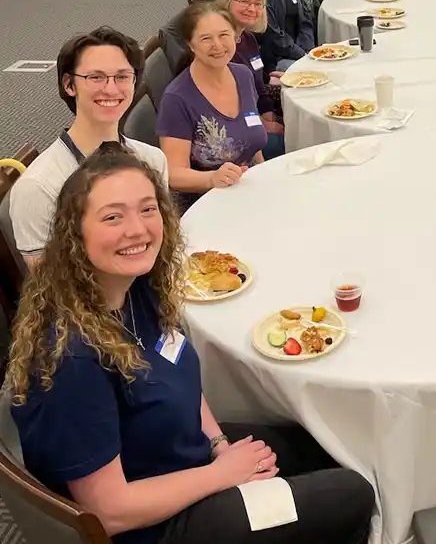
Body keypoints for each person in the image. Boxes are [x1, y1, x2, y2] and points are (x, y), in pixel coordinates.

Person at [8, 144, 375, 544]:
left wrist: (219, 445)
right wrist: (221, 476)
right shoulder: (73, 360)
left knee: (327, 445)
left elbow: (177, 368)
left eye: (148, 209)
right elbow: (109, 511)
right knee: (354, 493)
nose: (137, 229)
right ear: (75, 233)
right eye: (113, 216)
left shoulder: (134, 289)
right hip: (156, 525)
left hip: (181, 455)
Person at [10, 28, 167, 265]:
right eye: (96, 77)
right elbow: (51, 287)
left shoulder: (153, 160)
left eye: (122, 76)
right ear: (69, 85)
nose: (112, 89)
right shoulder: (39, 186)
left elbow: (162, 246)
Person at [157, 1, 266, 209]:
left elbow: (253, 134)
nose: (217, 45)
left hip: (249, 187)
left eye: (224, 35)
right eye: (206, 39)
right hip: (208, 202)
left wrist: (264, 172)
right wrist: (212, 179)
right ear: (190, 44)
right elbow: (174, 173)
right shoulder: (177, 98)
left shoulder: (242, 75)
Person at [217, 0, 284, 160]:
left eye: (258, 4)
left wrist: (268, 112)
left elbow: (258, 84)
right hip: (235, 129)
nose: (252, 9)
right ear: (227, 2)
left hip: (256, 112)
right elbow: (231, 107)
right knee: (293, 139)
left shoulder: (247, 38)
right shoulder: (220, 50)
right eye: (245, 2)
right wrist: (263, 124)